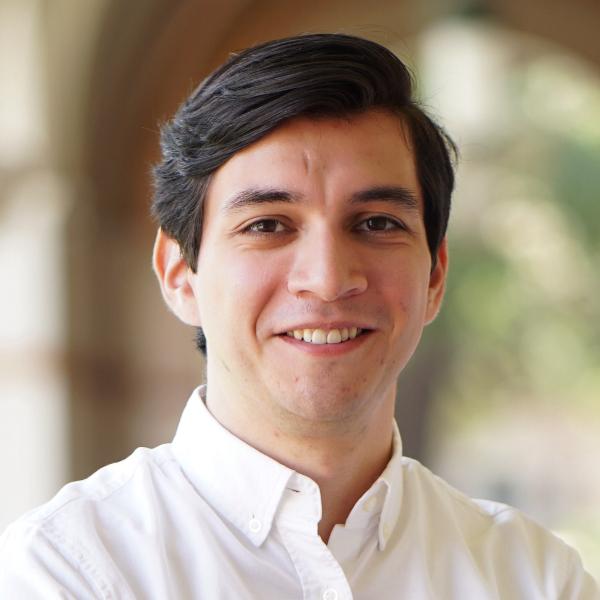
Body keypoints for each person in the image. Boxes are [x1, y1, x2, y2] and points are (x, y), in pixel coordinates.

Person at [0, 33, 598, 599]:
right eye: (267, 225)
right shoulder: (70, 570)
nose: (329, 278)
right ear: (181, 272)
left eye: (377, 224)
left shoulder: (534, 577)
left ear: (436, 276)